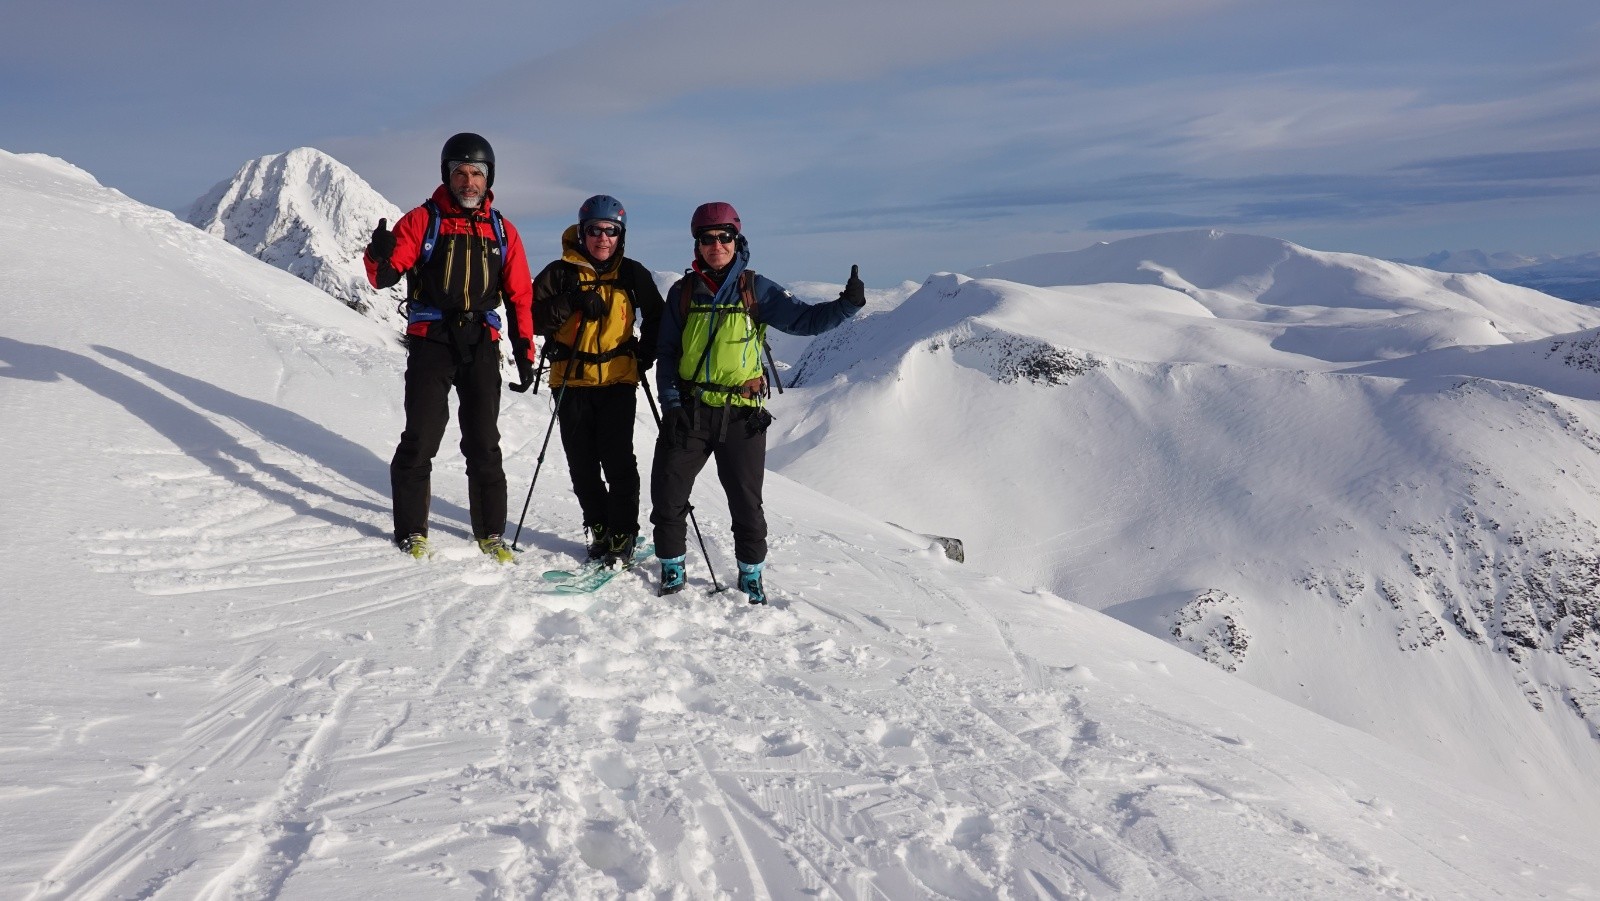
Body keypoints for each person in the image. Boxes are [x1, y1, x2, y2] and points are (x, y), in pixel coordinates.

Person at [650, 202, 865, 603]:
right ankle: (672, 565)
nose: (716, 245)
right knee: (667, 493)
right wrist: (671, 403)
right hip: (691, 410)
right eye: (707, 238)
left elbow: (804, 321)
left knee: (747, 504)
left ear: (736, 239)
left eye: (724, 237)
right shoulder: (682, 293)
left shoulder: (755, 287)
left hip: (741, 415)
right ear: (697, 244)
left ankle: (751, 574)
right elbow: (667, 351)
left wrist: (847, 306)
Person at [363, 132, 536, 563]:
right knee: (421, 438)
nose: (468, 181)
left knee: (484, 443)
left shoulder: (503, 230)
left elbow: (519, 296)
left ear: (488, 178)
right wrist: (377, 255)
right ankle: (411, 533)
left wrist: (525, 351)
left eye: (477, 173)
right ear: (447, 175)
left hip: (480, 342)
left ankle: (491, 533)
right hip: (431, 342)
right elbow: (384, 276)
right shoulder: (423, 221)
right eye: (460, 172)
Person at [532, 195, 664, 566]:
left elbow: (658, 316)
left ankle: (623, 531)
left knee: (619, 461)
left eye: (611, 231)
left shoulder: (632, 273)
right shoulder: (559, 273)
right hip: (570, 382)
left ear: (621, 236)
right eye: (595, 231)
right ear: (582, 233)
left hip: (618, 382)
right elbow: (533, 318)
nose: (603, 238)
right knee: (582, 465)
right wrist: (573, 300)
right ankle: (599, 527)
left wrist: (646, 354)